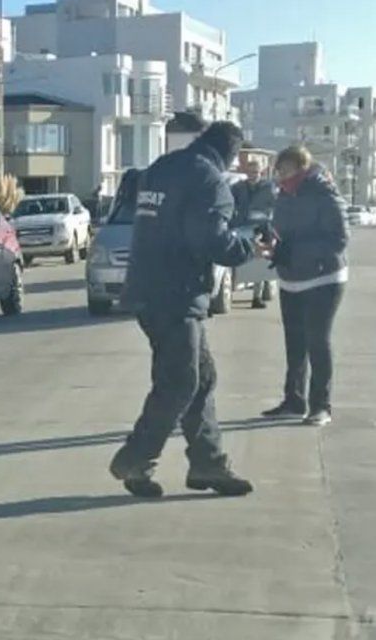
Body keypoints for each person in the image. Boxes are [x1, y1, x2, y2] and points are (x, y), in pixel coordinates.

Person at [111, 122, 256, 498]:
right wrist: (248, 247)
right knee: (180, 382)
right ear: (230, 153)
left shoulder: (162, 167)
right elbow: (210, 239)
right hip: (176, 294)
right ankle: (135, 458)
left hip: (146, 288)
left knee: (201, 378)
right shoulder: (208, 180)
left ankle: (209, 464)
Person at [260, 146, 348, 426]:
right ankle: (294, 401)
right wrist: (274, 246)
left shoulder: (324, 194)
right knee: (294, 343)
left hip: (324, 278)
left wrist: (296, 250)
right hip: (291, 278)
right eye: (278, 170)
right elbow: (281, 231)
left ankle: (321, 406)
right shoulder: (283, 195)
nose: (280, 175)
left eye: (284, 170)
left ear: (302, 168)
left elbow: (339, 240)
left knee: (317, 341)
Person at [230, 160, 278, 308]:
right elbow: (230, 204)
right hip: (242, 227)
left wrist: (273, 223)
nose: (253, 175)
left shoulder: (268, 187)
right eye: (250, 172)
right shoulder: (238, 187)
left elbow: (276, 205)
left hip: (262, 227)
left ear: (261, 173)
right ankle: (231, 289)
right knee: (238, 258)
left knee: (260, 262)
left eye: (256, 172)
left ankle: (256, 297)